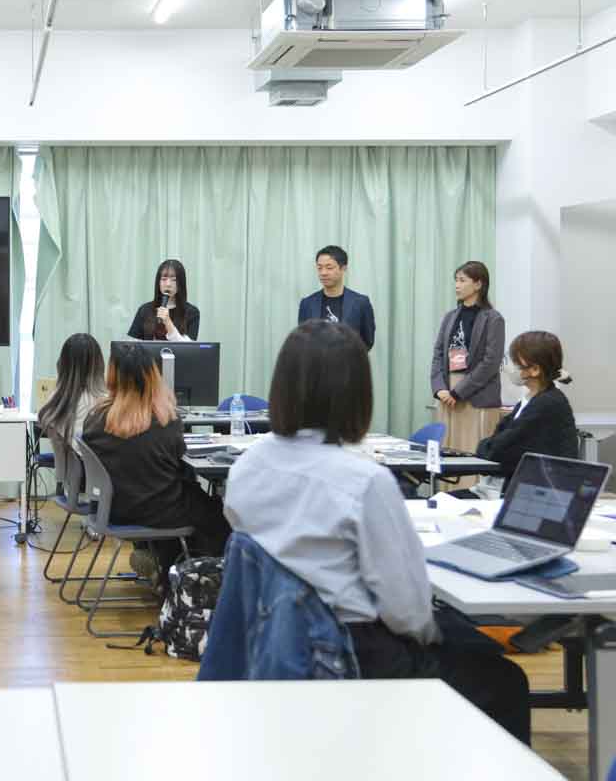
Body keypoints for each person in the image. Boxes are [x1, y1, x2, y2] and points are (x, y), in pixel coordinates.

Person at [223, 320, 530, 743]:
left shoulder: (245, 470)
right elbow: (405, 611)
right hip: (351, 653)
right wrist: (432, 630)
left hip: (272, 644)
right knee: (501, 678)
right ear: (356, 394)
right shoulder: (363, 481)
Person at [81, 343, 230, 581]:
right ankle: (197, 582)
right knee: (218, 515)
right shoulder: (165, 418)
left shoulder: (95, 419)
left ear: (112, 376)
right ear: (153, 376)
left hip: (112, 510)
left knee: (187, 501)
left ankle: (160, 565)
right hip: (160, 511)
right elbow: (178, 457)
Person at [476, 331, 578, 484]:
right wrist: (488, 447)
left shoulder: (547, 404)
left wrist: (486, 447)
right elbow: (496, 443)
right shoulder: (530, 400)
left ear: (535, 369)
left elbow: (496, 451)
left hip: (531, 494)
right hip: (512, 486)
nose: (511, 367)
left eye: (516, 362)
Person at [431, 260, 505, 454]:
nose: (457, 285)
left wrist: (458, 392)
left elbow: (491, 362)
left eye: (462, 280)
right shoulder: (450, 317)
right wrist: (440, 389)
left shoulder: (493, 318)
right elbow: (438, 354)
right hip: (448, 393)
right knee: (448, 452)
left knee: (472, 453)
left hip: (476, 394)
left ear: (478, 284)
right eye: (456, 280)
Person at [37, 333, 107, 479]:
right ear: (98, 364)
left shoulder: (56, 399)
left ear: (62, 363)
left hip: (73, 479)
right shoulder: (98, 401)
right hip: (94, 480)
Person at [297, 245, 375, 351]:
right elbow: (302, 341)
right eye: (319, 268)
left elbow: (367, 341)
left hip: (348, 366)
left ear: (343, 268)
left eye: (329, 268)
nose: (323, 273)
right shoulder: (307, 304)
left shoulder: (360, 303)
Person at [127, 259, 200, 342]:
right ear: (158, 282)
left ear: (181, 283)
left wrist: (168, 322)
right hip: (149, 355)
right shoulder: (145, 309)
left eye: (174, 280)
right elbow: (133, 343)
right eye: (164, 279)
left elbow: (189, 349)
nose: (168, 284)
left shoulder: (192, 312)